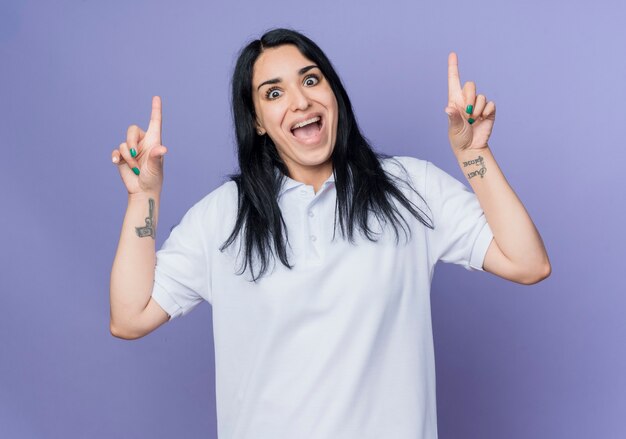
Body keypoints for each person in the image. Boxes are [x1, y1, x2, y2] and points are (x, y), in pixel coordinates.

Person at [109, 28, 550, 439]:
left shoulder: (409, 189)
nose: (299, 101)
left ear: (333, 93)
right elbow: (130, 317)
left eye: (311, 79)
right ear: (258, 121)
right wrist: (144, 196)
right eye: (274, 93)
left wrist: (475, 154)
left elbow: (528, 263)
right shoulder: (223, 215)